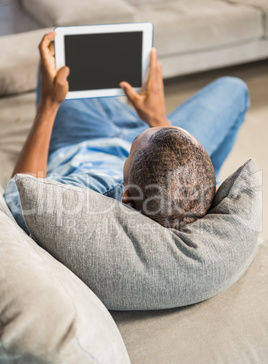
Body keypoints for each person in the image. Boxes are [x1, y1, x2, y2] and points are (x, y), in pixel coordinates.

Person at [4, 31, 250, 232]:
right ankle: (182, 162)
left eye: (129, 154)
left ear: (126, 197)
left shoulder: (94, 191)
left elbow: (19, 195)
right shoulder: (195, 198)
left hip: (80, 140)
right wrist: (155, 117)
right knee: (234, 87)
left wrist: (48, 105)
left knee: (58, 61)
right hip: (168, 159)